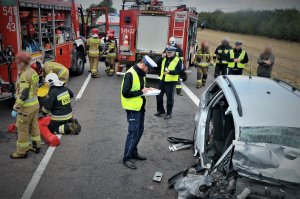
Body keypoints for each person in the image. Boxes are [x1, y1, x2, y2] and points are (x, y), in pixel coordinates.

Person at [121, 55, 157, 169]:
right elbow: (125, 93)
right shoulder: (130, 74)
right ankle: (126, 158)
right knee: (133, 132)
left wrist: (148, 89)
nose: (148, 71)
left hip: (140, 106)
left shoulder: (140, 73)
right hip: (132, 108)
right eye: (148, 69)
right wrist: (141, 91)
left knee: (139, 131)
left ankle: (133, 152)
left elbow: (140, 88)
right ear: (143, 65)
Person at [10, 51, 41, 159]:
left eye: (18, 63)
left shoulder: (24, 75)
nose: (17, 65)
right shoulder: (33, 72)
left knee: (22, 129)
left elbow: (24, 94)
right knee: (34, 126)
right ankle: (36, 146)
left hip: (26, 109)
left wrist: (16, 107)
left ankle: (21, 152)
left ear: (23, 63)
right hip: (35, 105)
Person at [155, 46, 183, 119]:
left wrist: (170, 72)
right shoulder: (164, 58)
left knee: (169, 99)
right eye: (167, 52)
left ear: (174, 52)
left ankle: (169, 113)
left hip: (171, 82)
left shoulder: (177, 60)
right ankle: (161, 111)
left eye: (170, 52)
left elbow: (179, 71)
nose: (168, 54)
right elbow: (156, 64)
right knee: (158, 95)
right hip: (162, 80)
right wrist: (161, 57)